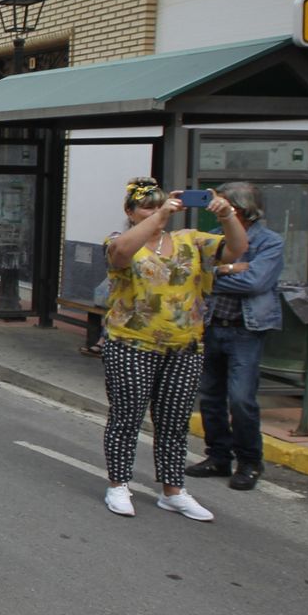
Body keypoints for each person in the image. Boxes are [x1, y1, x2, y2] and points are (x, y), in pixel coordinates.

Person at [101, 177, 246, 521]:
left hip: (185, 345)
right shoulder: (120, 240)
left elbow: (236, 249)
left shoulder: (190, 240)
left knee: (174, 421)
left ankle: (173, 490)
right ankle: (118, 484)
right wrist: (160, 216)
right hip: (131, 343)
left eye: (159, 204)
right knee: (126, 416)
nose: (154, 210)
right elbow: (122, 255)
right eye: (146, 206)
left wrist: (227, 215)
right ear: (130, 212)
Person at [186, 182, 285, 492]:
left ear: (242, 210)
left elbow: (255, 282)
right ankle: (218, 456)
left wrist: (218, 271)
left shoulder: (270, 242)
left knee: (241, 399)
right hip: (213, 323)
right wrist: (230, 268)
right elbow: (196, 275)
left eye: (224, 204)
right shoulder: (215, 237)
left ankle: (250, 461)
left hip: (246, 328)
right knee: (211, 397)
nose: (217, 208)